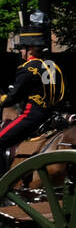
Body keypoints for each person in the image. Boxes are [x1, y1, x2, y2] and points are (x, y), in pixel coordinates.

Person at [0, 29, 61, 174]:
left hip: (31, 116)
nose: (21, 51)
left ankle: (2, 184)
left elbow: (12, 98)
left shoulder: (27, 69)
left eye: (22, 48)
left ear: (31, 49)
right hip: (50, 116)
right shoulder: (52, 67)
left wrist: (2, 98)